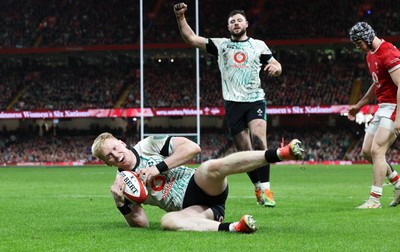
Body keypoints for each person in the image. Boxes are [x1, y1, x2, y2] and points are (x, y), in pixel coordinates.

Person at [174, 3, 283, 207]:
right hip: (233, 104)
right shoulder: (221, 45)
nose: (235, 23)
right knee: (246, 151)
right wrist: (180, 17)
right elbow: (191, 38)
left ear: (246, 24)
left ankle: (267, 188)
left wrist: (275, 69)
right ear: (228, 27)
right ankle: (258, 188)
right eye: (232, 21)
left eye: (239, 20)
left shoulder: (258, 45)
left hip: (255, 99)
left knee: (259, 142)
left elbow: (276, 64)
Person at [91, 132, 303, 232]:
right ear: (106, 163)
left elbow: (193, 148)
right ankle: (235, 228)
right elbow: (143, 224)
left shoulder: (148, 145)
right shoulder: (122, 185)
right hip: (195, 209)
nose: (116, 155)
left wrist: (158, 168)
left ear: (121, 142)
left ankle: (279, 153)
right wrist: (121, 204)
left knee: (209, 167)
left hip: (200, 183)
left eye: (115, 148)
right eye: (109, 156)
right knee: (167, 222)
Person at [348, 22, 400, 209]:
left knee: (378, 151)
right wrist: (360, 104)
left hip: (394, 106)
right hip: (383, 106)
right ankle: (398, 184)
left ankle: (374, 200)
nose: (358, 47)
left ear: (368, 37)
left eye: (359, 43)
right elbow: (376, 84)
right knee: (367, 151)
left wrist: (399, 117)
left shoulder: (389, 52)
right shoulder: (371, 55)